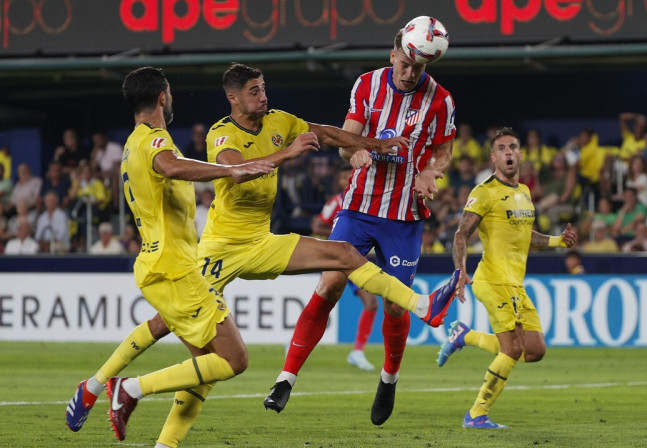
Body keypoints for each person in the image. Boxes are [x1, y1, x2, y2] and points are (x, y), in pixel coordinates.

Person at [66, 63, 459, 446]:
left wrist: (374, 143)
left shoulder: (278, 120)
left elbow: (324, 133)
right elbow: (237, 169)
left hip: (260, 241)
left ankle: (422, 304)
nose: (263, 96)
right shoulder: (217, 133)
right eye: (254, 91)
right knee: (180, 339)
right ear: (233, 98)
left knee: (343, 254)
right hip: (219, 249)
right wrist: (287, 155)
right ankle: (104, 387)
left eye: (264, 88)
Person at [63, 66, 275, 443]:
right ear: (163, 97)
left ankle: (150, 432)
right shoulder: (155, 140)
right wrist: (232, 169)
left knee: (204, 367)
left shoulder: (132, 142)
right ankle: (128, 389)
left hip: (162, 263)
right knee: (234, 359)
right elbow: (172, 167)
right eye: (171, 93)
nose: (172, 98)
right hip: (174, 268)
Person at [265, 29, 458, 427]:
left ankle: (389, 379)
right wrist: (352, 152)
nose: (409, 73)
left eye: (418, 67)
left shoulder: (440, 100)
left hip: (404, 217)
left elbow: (444, 152)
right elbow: (345, 139)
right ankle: (286, 378)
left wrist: (430, 172)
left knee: (393, 303)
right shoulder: (368, 84)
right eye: (405, 64)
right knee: (330, 284)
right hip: (357, 209)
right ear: (393, 55)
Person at [436, 127, 577, 428]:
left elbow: (526, 236)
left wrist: (557, 241)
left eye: (513, 146)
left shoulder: (524, 193)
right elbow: (461, 233)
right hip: (491, 280)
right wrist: (460, 271)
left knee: (535, 351)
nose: (508, 152)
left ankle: (466, 335)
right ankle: (476, 414)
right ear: (493, 158)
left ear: (521, 154)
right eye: (501, 148)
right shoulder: (484, 192)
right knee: (512, 348)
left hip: (516, 284)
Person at [311, 165, 380, 372]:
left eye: (350, 174)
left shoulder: (366, 200)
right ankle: (296, 340)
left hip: (357, 259)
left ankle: (357, 352)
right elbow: (317, 226)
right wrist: (339, 227)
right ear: (340, 182)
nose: (348, 178)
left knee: (371, 303)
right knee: (322, 303)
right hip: (337, 259)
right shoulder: (336, 202)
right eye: (343, 176)